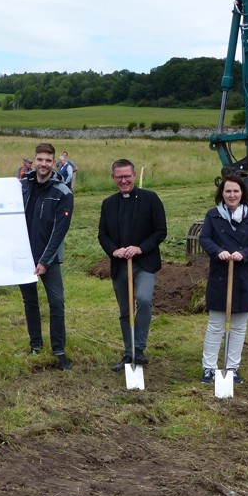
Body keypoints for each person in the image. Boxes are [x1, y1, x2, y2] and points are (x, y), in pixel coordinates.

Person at [97, 158, 167, 372]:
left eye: (127, 176)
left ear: (134, 176)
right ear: (113, 178)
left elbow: (160, 231)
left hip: (144, 262)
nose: (124, 180)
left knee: (144, 300)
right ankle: (129, 353)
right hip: (120, 265)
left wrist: (140, 248)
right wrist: (114, 250)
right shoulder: (108, 204)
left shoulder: (150, 199)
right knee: (125, 309)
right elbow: (103, 235)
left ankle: (140, 348)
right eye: (119, 177)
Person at [198, 175, 248, 385]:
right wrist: (218, 252)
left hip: (245, 275)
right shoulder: (213, 215)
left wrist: (243, 254)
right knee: (216, 324)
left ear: (242, 193)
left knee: (238, 326)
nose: (232, 195)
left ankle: (232, 368)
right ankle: (209, 368)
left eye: (236, 191)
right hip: (221, 274)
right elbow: (205, 238)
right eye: (228, 191)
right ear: (222, 194)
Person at [19, 142, 74, 370]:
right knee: (30, 302)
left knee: (56, 302)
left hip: (48, 260)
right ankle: (36, 345)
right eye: (40, 159)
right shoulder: (21, 186)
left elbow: (58, 232)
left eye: (48, 160)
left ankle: (59, 350)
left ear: (54, 162)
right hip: (22, 258)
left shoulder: (62, 193)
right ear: (35, 160)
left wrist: (44, 260)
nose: (43, 164)